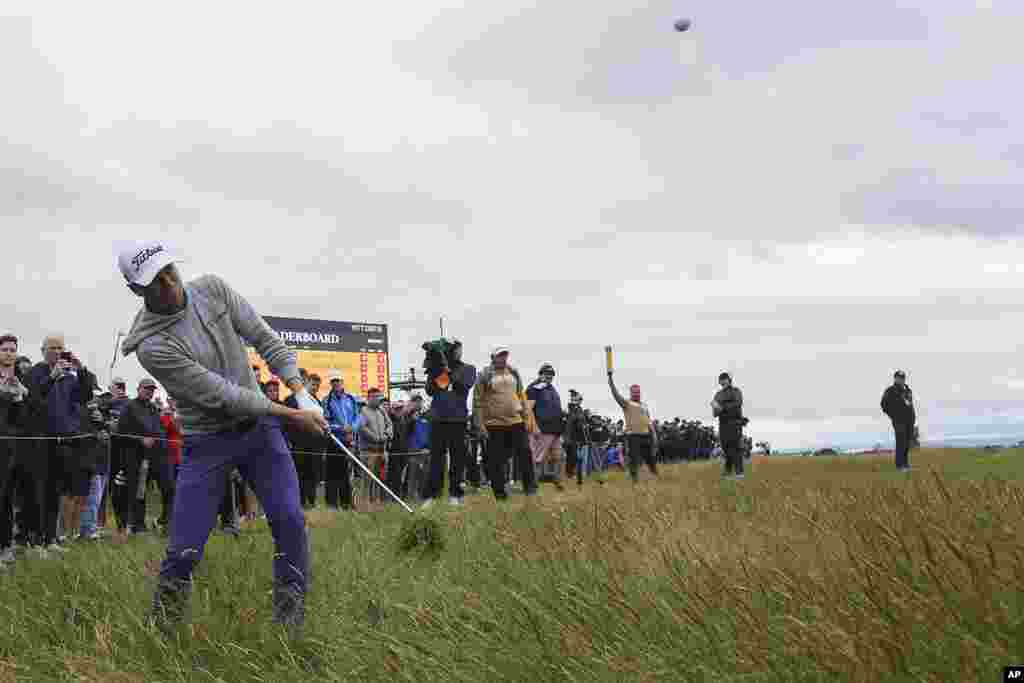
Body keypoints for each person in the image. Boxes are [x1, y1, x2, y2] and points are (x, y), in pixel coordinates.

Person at [117, 240, 327, 630]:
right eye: (156, 283)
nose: (170, 285)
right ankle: (163, 626)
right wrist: (292, 414)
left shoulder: (212, 289)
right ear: (137, 291)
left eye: (171, 272)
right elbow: (223, 395)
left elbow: (264, 337)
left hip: (260, 435)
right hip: (207, 442)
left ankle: (289, 619)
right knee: (185, 547)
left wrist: (300, 391)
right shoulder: (151, 347)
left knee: (289, 519)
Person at [24, 335, 98, 553]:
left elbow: (85, 395)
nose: (57, 351)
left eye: (60, 348)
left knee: (55, 491)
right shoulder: (35, 372)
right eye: (52, 348)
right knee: (38, 490)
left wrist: (80, 367)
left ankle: (50, 539)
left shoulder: (69, 376)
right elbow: (31, 400)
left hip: (63, 441)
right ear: (43, 350)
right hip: (40, 439)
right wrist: (51, 378)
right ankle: (34, 541)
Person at [472, 346, 535, 501]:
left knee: (525, 452)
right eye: (500, 355)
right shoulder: (484, 374)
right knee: (495, 460)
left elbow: (521, 395)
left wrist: (527, 416)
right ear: (493, 357)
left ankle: (530, 488)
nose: (503, 358)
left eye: (505, 355)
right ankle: (500, 494)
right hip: (494, 424)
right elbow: (477, 401)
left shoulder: (514, 372)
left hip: (516, 421)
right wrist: (479, 425)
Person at [423, 339, 477, 507]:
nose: (458, 352)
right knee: (436, 459)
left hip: (458, 419)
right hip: (438, 418)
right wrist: (439, 370)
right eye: (454, 349)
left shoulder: (468, 368)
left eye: (458, 349)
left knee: (457, 459)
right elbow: (430, 390)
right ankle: (433, 495)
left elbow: (463, 386)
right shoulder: (437, 368)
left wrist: (449, 371)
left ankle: (455, 494)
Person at [113, 378, 166, 534]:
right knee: (129, 491)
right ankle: (127, 525)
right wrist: (140, 440)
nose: (149, 392)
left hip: (149, 458)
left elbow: (159, 431)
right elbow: (120, 432)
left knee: (142, 492)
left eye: (152, 390)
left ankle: (139, 524)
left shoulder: (153, 408)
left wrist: (157, 443)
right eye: (146, 389)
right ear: (138, 389)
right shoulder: (129, 406)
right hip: (130, 456)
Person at [0, 334, 28, 567]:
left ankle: (6, 546)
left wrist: (19, 397)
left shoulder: (17, 380)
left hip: (11, 444)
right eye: (5, 349)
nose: (10, 353)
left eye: (13, 350)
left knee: (8, 496)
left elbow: (20, 419)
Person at [607, 371, 658, 483]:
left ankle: (655, 475)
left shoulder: (644, 405)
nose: (637, 394)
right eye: (634, 392)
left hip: (646, 435)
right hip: (633, 436)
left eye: (638, 392)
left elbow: (649, 422)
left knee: (650, 458)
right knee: (633, 459)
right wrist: (611, 382)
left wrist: (654, 435)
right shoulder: (627, 403)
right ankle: (634, 480)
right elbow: (616, 395)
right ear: (631, 393)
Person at [285, 374, 324, 509]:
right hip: (298, 444)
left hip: (313, 444)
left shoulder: (316, 401)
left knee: (312, 475)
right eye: (312, 384)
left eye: (317, 385)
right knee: (298, 475)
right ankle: (300, 502)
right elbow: (290, 421)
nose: (315, 388)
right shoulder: (290, 400)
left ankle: (312, 501)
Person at [322, 375, 360, 511]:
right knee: (332, 474)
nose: (336, 383)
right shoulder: (326, 400)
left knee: (347, 474)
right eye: (333, 381)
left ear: (342, 382)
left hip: (349, 441)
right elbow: (325, 422)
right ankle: (331, 504)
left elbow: (357, 417)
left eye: (338, 381)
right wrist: (340, 428)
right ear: (330, 384)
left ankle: (346, 504)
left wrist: (352, 428)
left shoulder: (350, 399)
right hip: (334, 441)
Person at [526, 363, 565, 491]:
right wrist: (534, 426)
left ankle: (557, 481)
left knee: (559, 456)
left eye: (551, 374)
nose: (549, 376)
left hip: (555, 430)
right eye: (546, 373)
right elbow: (528, 409)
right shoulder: (534, 388)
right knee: (537, 458)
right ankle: (532, 485)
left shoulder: (551, 389)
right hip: (541, 429)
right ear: (540, 374)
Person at [358, 388, 393, 504]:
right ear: (370, 398)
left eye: (380, 396)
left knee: (379, 479)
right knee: (367, 479)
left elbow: (390, 424)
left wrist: (387, 435)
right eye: (377, 397)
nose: (379, 399)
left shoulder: (382, 411)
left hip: (382, 451)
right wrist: (376, 438)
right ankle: (364, 503)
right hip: (368, 451)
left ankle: (376, 503)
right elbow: (362, 428)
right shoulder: (362, 411)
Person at [712, 372, 746, 479]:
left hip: (735, 422)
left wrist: (723, 407)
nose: (722, 381)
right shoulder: (718, 394)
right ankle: (728, 472)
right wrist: (716, 408)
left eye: (724, 379)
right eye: (720, 379)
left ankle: (739, 472)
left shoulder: (736, 391)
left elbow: (738, 403)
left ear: (729, 380)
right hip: (723, 424)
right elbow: (715, 413)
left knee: (736, 447)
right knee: (726, 448)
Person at [881, 370, 916, 472]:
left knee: (907, 443)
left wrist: (913, 418)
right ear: (895, 378)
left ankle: (905, 464)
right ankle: (899, 466)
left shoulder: (908, 390)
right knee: (900, 442)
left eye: (902, 378)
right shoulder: (890, 390)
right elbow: (884, 404)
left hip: (909, 421)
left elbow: (910, 405)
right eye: (898, 377)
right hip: (899, 421)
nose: (900, 379)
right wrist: (893, 415)